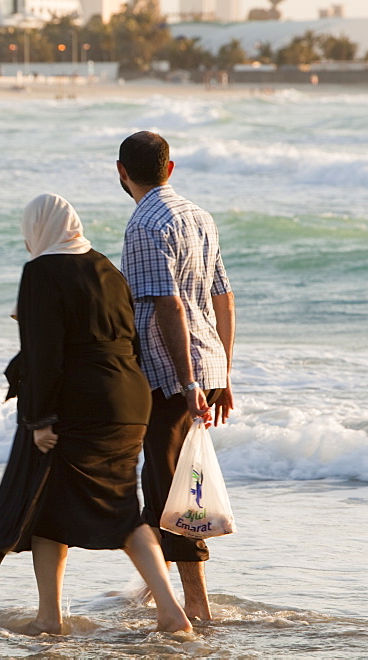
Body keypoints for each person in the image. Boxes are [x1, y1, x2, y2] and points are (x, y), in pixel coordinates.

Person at [0, 193, 192, 635]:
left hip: (79, 404)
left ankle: (68, 618)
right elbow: (120, 335)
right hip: (128, 399)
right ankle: (152, 612)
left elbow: (44, 355)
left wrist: (38, 420)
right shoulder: (108, 268)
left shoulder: (41, 271)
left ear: (38, 228)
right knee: (99, 507)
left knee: (78, 509)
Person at [116, 131, 236, 622]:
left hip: (170, 372)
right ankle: (154, 586)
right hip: (205, 361)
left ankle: (196, 601)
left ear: (121, 172)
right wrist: (222, 373)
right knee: (167, 475)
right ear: (170, 168)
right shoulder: (198, 216)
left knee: (170, 483)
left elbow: (167, 304)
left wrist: (188, 385)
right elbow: (223, 297)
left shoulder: (144, 224)